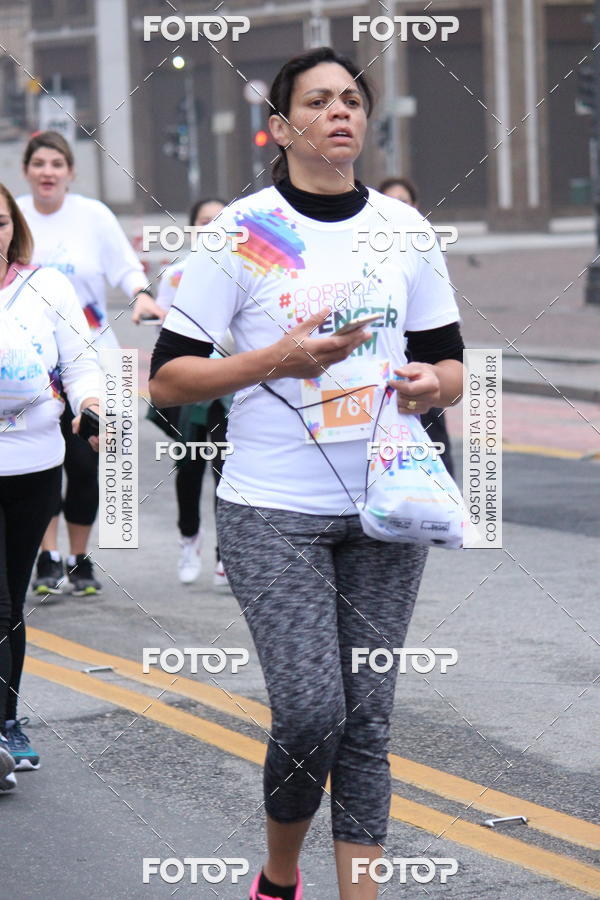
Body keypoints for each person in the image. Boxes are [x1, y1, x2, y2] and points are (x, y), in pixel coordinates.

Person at [149, 47, 465, 900]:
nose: (340, 112)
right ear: (282, 127)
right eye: (319, 101)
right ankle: (280, 876)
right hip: (272, 507)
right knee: (311, 711)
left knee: (367, 721)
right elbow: (168, 378)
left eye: (352, 100)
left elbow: (451, 364)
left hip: (386, 507)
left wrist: (431, 385)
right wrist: (274, 361)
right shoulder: (244, 231)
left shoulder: (403, 229)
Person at [17, 131, 160, 597]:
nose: (48, 172)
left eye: (57, 164)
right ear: (26, 171)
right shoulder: (14, 215)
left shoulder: (93, 216)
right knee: (41, 459)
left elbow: (125, 267)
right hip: (34, 360)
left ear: (70, 172)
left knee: (85, 463)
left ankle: (79, 558)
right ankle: (47, 557)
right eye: (39, 164)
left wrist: (141, 296)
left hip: (93, 354)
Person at [0, 182, 100, 774]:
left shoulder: (48, 287)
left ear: (14, 227)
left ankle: (7, 721)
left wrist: (90, 404)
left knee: (11, 599)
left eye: (0, 222)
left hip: (35, 465)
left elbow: (81, 361)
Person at [154, 197, 232, 587]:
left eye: (219, 221)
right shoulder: (176, 274)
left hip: (231, 385)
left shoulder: (243, 271)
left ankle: (225, 555)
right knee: (189, 466)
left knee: (225, 470)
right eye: (204, 222)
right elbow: (163, 330)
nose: (211, 228)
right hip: (190, 385)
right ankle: (189, 538)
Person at [378, 176, 456, 476]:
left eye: (404, 202)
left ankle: (441, 486)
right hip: (383, 367)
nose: (398, 208)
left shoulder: (423, 243)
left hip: (420, 360)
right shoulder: (364, 248)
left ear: (415, 206)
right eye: (390, 202)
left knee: (431, 432)